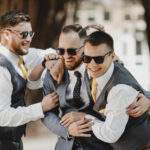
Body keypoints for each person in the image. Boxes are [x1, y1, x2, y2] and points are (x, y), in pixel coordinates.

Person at [42, 24, 113, 150]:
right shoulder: (53, 72)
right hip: (65, 145)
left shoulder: (98, 67)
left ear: (84, 48)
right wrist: (67, 129)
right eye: (61, 51)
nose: (66, 56)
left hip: (99, 145)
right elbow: (47, 114)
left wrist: (147, 100)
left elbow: (131, 88)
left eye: (72, 51)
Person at [0, 10, 59, 150]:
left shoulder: (20, 55)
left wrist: (51, 58)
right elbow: (2, 116)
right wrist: (41, 107)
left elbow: (46, 53)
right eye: (23, 34)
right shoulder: (1, 68)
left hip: (13, 142)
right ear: (6, 34)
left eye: (30, 34)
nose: (28, 39)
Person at [82, 30, 150, 150]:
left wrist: (84, 118)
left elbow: (110, 134)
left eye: (98, 59)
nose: (92, 64)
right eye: (87, 58)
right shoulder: (95, 72)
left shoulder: (120, 89)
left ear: (112, 56)